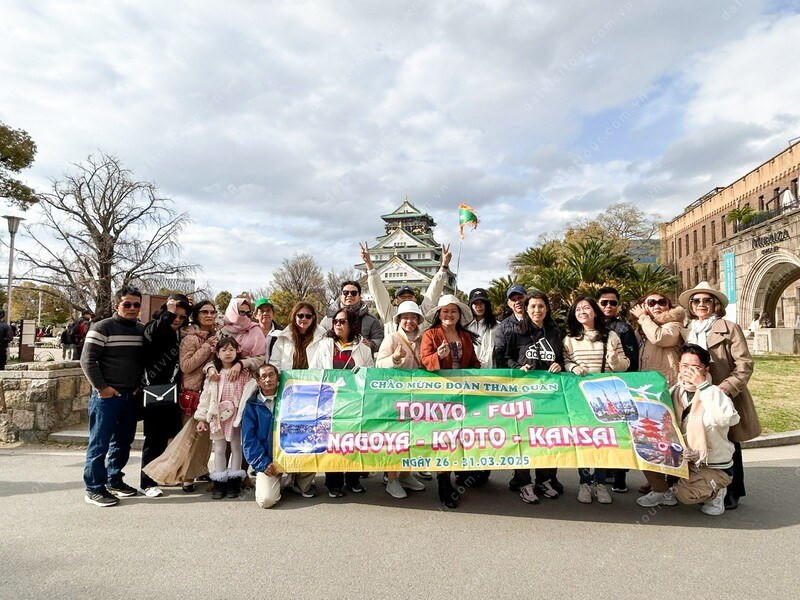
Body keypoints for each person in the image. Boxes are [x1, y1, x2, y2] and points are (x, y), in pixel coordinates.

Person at [679, 281, 760, 510]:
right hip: (693, 393)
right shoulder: (687, 330)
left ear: (715, 304)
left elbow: (744, 364)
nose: (701, 304)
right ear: (691, 305)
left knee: (729, 440)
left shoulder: (729, 327)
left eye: (707, 300)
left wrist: (725, 388)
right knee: (698, 438)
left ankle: (732, 489)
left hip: (723, 392)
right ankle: (702, 484)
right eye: (697, 301)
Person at [636, 344, 740, 516]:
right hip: (682, 458)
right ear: (678, 367)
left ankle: (716, 491)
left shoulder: (714, 393)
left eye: (695, 367)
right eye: (685, 366)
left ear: (705, 369)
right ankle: (663, 492)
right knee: (644, 447)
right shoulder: (673, 392)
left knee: (685, 495)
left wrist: (703, 386)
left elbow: (728, 419)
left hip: (710, 463)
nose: (688, 371)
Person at [141, 299, 217, 492]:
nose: (178, 319)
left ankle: (194, 471)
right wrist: (207, 346)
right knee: (166, 438)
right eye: (204, 312)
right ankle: (151, 479)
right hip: (164, 390)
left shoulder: (207, 334)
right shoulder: (184, 336)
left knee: (199, 437)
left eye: (183, 316)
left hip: (190, 392)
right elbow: (187, 365)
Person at [80, 287, 145, 507]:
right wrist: (102, 388)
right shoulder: (102, 327)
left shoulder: (140, 330)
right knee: (100, 443)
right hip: (106, 397)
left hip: (130, 395)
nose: (132, 308)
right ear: (117, 304)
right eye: (127, 304)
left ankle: (114, 479)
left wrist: (138, 386)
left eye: (137, 304)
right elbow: (87, 361)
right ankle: (94, 488)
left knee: (123, 441)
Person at [563, 296, 630, 504]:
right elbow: (565, 361)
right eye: (578, 309)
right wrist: (573, 367)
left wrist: (614, 360)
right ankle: (584, 482)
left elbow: (625, 364)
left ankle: (600, 483)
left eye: (587, 308)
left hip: (606, 396)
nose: (582, 311)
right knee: (583, 440)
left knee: (603, 440)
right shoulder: (569, 338)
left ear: (595, 311)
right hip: (580, 396)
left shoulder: (611, 336)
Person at [420, 295, 481, 509]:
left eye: (453, 311)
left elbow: (473, 363)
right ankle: (443, 484)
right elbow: (425, 362)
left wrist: (477, 372)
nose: (449, 315)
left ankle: (459, 476)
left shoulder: (465, 336)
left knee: (460, 436)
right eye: (445, 311)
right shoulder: (430, 334)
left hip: (462, 396)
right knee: (444, 439)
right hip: (440, 396)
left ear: (459, 315)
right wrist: (437, 356)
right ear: (439, 314)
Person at [504, 290, 565, 503]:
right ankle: (524, 482)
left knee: (547, 439)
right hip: (523, 396)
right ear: (526, 309)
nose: (537, 310)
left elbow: (561, 360)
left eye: (541, 306)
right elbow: (506, 358)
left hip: (549, 397)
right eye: (533, 307)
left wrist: (559, 365)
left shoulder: (555, 333)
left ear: (546, 309)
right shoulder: (516, 332)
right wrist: (519, 367)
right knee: (524, 439)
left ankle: (544, 480)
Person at [309, 307, 374, 497]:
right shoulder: (324, 345)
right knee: (334, 442)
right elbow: (314, 370)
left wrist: (361, 374)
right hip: (330, 402)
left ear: (352, 324)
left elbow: (370, 371)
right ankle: (333, 483)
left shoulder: (363, 348)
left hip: (354, 403)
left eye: (342, 321)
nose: (337, 324)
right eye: (335, 321)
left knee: (352, 440)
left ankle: (353, 479)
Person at [139, 294, 191, 497]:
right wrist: (168, 313)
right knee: (154, 439)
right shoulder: (154, 327)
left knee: (173, 436)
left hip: (175, 393)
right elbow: (155, 335)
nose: (177, 319)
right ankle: (147, 482)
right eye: (173, 315)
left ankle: (165, 476)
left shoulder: (181, 334)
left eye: (181, 316)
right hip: (155, 392)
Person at [375, 300, 428, 499]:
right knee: (394, 438)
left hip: (418, 398)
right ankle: (391, 479)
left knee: (413, 437)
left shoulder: (424, 339)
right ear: (399, 319)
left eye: (413, 317)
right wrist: (395, 358)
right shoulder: (391, 339)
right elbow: (379, 365)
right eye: (405, 317)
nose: (409, 321)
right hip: (394, 398)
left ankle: (406, 474)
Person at [194, 336, 257, 499]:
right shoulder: (214, 374)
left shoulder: (244, 373)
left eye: (231, 349)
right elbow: (205, 397)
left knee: (237, 448)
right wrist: (201, 418)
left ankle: (234, 482)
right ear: (217, 353)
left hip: (236, 417)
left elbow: (249, 391)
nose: (228, 353)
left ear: (237, 351)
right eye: (224, 350)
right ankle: (220, 481)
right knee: (220, 449)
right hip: (218, 418)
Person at [359, 241, 451, 337]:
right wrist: (369, 265)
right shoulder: (390, 313)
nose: (407, 298)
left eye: (410, 296)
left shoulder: (422, 312)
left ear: (415, 299)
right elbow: (378, 292)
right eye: (402, 297)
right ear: (396, 301)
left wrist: (443, 267)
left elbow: (433, 293)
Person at [241, 363, 287, 509]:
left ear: (277, 377)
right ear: (258, 381)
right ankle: (272, 480)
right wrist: (263, 464)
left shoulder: (290, 398)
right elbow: (249, 440)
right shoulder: (251, 406)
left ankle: (296, 482)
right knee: (266, 501)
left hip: (291, 456)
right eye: (263, 376)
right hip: (268, 461)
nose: (268, 379)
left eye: (271, 375)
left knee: (305, 485)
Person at [629, 291, 684, 387]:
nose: (657, 306)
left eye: (662, 302)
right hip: (645, 383)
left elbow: (659, 338)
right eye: (651, 303)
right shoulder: (641, 330)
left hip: (667, 383)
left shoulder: (674, 325)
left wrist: (643, 316)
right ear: (643, 307)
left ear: (668, 306)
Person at [205, 297, 266, 381]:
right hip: (224, 381)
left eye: (248, 313)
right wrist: (210, 369)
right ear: (233, 311)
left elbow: (261, 359)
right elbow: (212, 358)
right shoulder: (221, 333)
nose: (245, 316)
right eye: (241, 312)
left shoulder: (255, 330)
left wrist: (241, 364)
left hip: (249, 382)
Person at [320, 280, 384, 353]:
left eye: (353, 293)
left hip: (361, 361)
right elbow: (319, 338)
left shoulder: (371, 320)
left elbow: (380, 340)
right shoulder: (328, 318)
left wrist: (370, 344)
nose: (349, 295)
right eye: (345, 293)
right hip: (331, 361)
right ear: (341, 296)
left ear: (359, 296)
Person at [269, 302, 326, 372]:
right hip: (288, 380)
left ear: (313, 318)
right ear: (294, 316)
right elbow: (275, 362)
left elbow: (325, 363)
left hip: (313, 380)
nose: (304, 319)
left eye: (308, 316)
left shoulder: (322, 337)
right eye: (300, 316)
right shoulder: (283, 337)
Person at [493, 284, 526, 370]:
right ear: (509, 303)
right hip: (514, 377)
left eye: (520, 297)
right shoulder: (502, 327)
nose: (517, 302)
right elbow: (500, 355)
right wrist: (518, 368)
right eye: (513, 300)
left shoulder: (539, 322)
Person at [467, 288, 498, 369]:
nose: (479, 306)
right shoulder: (465, 327)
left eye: (482, 303)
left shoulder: (497, 326)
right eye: (475, 303)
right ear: (470, 306)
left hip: (490, 371)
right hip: (469, 372)